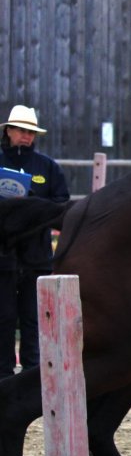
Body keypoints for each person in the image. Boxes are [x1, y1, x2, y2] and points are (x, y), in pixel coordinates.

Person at [0, 105, 69, 376]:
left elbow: (61, 204)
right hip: (2, 258)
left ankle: (32, 375)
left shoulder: (48, 167)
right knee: (2, 320)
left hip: (36, 257)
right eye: (21, 130)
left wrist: (30, 204)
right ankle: (4, 377)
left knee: (33, 320)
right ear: (9, 131)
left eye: (31, 131)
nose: (26, 136)